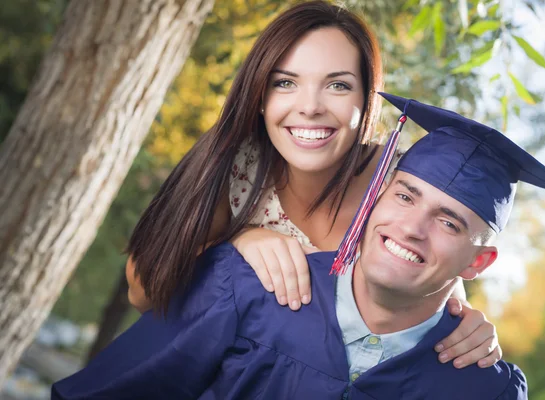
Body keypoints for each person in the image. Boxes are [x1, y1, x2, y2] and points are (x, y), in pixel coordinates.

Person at [53, 94, 545, 399]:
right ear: (374, 202)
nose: (411, 227)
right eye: (404, 196)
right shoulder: (246, 286)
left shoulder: (484, 393)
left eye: (449, 223)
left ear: (480, 262)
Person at [125, 0, 500, 368]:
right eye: (285, 82)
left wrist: (474, 327)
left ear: (367, 99)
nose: (309, 107)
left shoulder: (403, 184)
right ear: (259, 96)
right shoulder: (237, 166)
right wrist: (240, 241)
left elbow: (444, 288)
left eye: (337, 85)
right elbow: (144, 291)